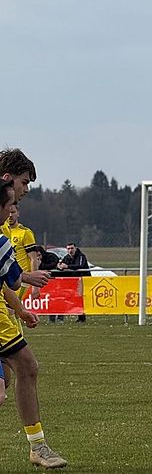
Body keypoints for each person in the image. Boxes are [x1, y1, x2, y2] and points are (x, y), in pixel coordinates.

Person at [0, 177, 65, 469]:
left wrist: (21, 309)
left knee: (5, 384)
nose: (25, 191)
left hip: (6, 312)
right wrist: (27, 277)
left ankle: (38, 447)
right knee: (25, 367)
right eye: (24, 183)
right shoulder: (3, 239)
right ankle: (38, 447)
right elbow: (12, 279)